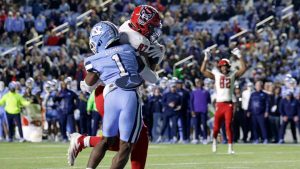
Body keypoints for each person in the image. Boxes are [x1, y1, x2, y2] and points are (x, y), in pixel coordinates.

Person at [68, 5, 164, 169]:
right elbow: (143, 75)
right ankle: (82, 140)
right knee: (126, 141)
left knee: (134, 138)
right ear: (141, 24)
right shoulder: (132, 42)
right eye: (151, 27)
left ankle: (83, 142)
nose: (154, 32)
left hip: (112, 91)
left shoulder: (127, 32)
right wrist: (154, 61)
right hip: (110, 92)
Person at [81, 21, 145, 169]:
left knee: (105, 140)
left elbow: (88, 84)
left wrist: (85, 84)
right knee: (126, 145)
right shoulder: (130, 49)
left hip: (110, 96)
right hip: (128, 95)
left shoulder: (95, 59)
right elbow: (143, 72)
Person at [200, 47, 246, 154]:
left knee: (228, 125)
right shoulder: (216, 74)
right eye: (222, 66)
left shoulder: (233, 74)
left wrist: (239, 56)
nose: (224, 68)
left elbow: (243, 69)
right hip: (219, 104)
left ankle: (230, 148)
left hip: (229, 104)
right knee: (216, 127)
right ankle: (214, 142)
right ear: (220, 67)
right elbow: (202, 70)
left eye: (225, 66)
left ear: (228, 67)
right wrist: (206, 58)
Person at [190, 78, 211, 144]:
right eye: (197, 83)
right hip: (196, 111)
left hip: (203, 111)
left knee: (204, 125)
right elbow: (191, 102)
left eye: (200, 82)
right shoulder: (194, 92)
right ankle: (196, 138)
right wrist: (192, 110)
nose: (199, 84)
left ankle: (205, 138)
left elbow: (209, 101)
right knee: (196, 125)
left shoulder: (206, 92)